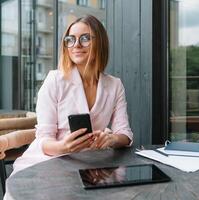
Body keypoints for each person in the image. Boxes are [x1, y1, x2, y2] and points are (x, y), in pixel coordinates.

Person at [10, 15, 133, 175]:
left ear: (100, 43)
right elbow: (43, 139)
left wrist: (113, 139)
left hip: (91, 166)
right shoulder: (54, 80)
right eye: (70, 39)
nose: (76, 45)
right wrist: (63, 147)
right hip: (47, 163)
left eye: (85, 38)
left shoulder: (114, 85)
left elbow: (125, 133)